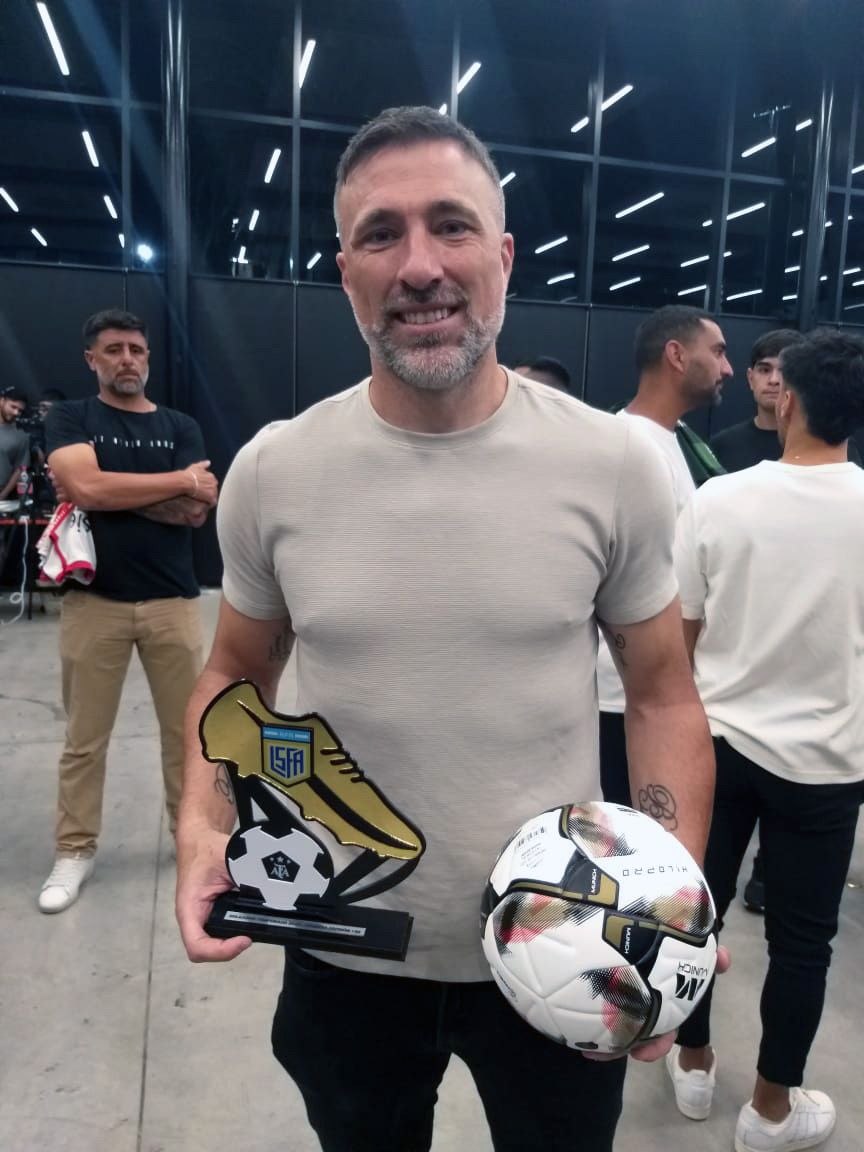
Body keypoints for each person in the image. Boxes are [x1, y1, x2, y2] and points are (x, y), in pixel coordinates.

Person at [175, 106, 717, 1152]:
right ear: (346, 273)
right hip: (345, 945)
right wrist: (203, 833)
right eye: (382, 235)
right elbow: (233, 676)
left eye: (451, 225)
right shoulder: (277, 470)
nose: (420, 265)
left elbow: (660, 695)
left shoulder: (612, 466)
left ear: (503, 258)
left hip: (567, 943)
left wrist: (667, 910)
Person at [669, 330, 864, 1152]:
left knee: (696, 915)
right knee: (804, 943)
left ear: (787, 400)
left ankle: (692, 1062)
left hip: (718, 745)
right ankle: (771, 1110)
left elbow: (680, 638)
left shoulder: (720, 500)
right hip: (829, 761)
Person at [38, 308, 218, 913]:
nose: (127, 360)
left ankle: (192, 843)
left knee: (189, 738)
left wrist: (106, 490)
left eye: (137, 350)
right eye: (114, 349)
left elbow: (197, 511)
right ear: (92, 358)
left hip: (172, 602)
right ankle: (75, 850)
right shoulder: (71, 417)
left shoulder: (179, 425)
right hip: (95, 605)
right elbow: (87, 490)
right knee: (84, 740)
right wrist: (176, 482)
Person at [598, 306, 733, 808]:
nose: (727, 369)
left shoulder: (671, 442)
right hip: (622, 695)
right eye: (717, 352)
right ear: (676, 355)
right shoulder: (628, 447)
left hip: (649, 688)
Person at [0, 387, 30, 502]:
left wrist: (3, 495)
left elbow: (20, 468)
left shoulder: (21, 435)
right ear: (2, 401)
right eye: (13, 407)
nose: (16, 413)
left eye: (20, 410)